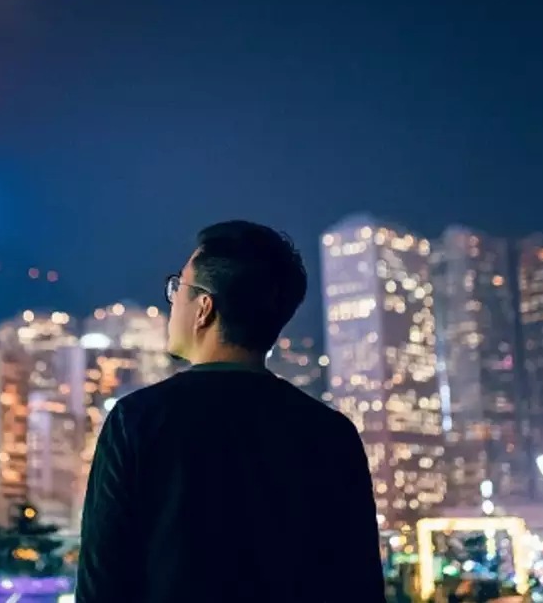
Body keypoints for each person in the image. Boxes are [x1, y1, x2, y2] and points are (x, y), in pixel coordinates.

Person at [76, 220, 386, 602]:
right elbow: (360, 585)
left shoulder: (136, 419)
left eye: (179, 288)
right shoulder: (331, 432)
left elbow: (101, 584)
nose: (172, 300)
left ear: (204, 308)